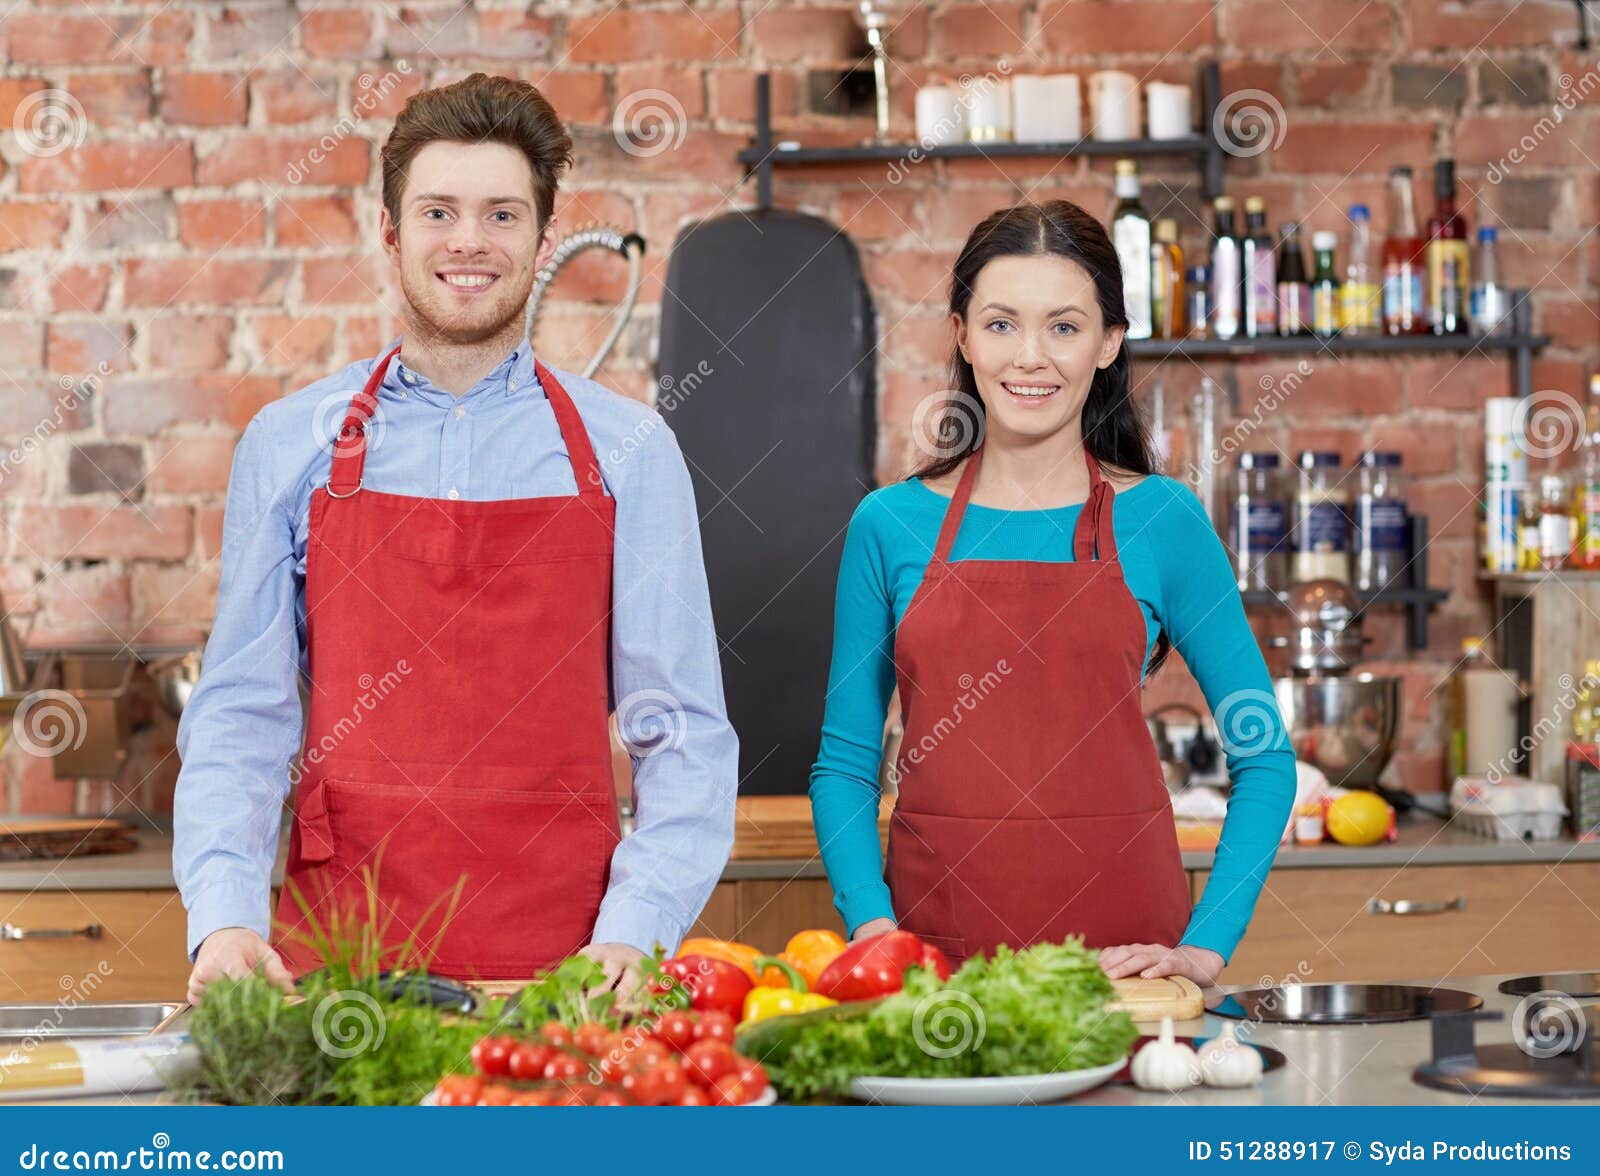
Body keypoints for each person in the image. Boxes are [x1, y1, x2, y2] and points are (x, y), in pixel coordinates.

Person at [174, 73, 737, 1005]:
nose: (469, 241)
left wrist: (634, 937)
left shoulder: (631, 450)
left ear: (544, 240)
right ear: (391, 235)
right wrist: (225, 916)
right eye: (439, 211)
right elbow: (241, 716)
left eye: (502, 214)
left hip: (567, 969)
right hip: (336, 975)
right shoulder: (290, 443)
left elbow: (680, 733)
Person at [809, 200, 1295, 986]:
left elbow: (1264, 753)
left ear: (1108, 344)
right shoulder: (888, 526)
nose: (1029, 357)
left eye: (1064, 327)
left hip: (1130, 974)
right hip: (942, 973)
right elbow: (844, 765)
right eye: (1001, 324)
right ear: (963, 335)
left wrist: (1203, 951)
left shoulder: (1163, 521)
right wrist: (875, 932)